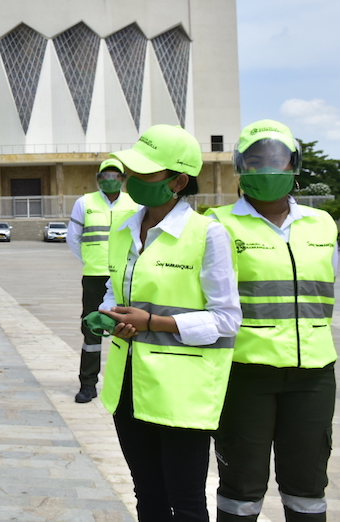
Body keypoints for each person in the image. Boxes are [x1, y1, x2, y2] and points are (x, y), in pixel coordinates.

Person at [98, 124, 241, 521]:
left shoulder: (207, 235)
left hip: (180, 390)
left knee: (187, 500)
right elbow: (117, 293)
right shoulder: (124, 227)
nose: (133, 181)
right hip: (128, 384)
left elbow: (227, 319)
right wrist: (109, 316)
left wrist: (154, 323)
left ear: (178, 181)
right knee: (148, 495)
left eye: (146, 174)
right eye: (133, 172)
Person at [210, 120, 336, 522]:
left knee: (308, 486)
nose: (268, 168)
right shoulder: (216, 225)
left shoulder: (322, 225)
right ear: (240, 168)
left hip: (313, 375)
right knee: (241, 486)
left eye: (277, 160)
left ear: (293, 166)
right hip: (246, 374)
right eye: (257, 160)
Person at [66, 159, 137, 403]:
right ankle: (88, 384)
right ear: (98, 178)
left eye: (115, 175)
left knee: (131, 327)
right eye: (105, 175)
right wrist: (89, 260)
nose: (110, 179)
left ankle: (131, 384)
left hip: (126, 275)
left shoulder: (134, 202)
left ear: (123, 178)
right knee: (92, 329)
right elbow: (73, 238)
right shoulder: (84, 203)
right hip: (95, 275)